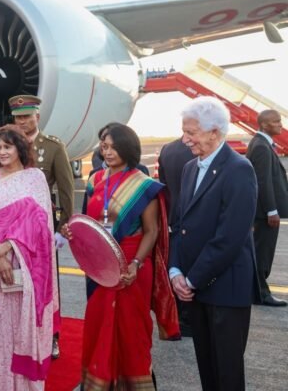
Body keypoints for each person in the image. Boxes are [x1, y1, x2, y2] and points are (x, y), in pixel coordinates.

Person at [62, 125, 179, 390]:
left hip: (132, 267)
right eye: (104, 146)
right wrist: (73, 232)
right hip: (101, 268)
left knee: (131, 331)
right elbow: (88, 224)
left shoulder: (143, 185)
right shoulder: (94, 179)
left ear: (128, 148)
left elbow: (152, 231)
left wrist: (136, 264)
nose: (108, 151)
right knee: (97, 326)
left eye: (114, 146)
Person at [169, 96, 257, 391]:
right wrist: (175, 271)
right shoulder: (190, 168)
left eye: (191, 132)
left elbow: (229, 238)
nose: (185, 139)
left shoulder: (238, 169)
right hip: (194, 288)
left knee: (227, 373)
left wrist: (192, 278)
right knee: (207, 367)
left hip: (225, 288)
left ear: (214, 132)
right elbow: (179, 224)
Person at [0, 125, 56, 390]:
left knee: (25, 331)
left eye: (7, 146)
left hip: (28, 266)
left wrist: (9, 247)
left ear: (20, 148)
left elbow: (41, 223)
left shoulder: (34, 178)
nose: (2, 152)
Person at [9, 94, 73, 359]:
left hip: (42, 227)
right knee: (17, 283)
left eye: (27, 116)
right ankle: (22, 334)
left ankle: (52, 336)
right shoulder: (8, 145)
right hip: (13, 228)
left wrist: (62, 228)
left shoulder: (53, 147)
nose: (22, 122)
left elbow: (67, 189)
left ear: (37, 116)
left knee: (47, 285)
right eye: (18, 118)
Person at [246, 109, 288, 307]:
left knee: (261, 251)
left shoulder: (262, 144)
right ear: (264, 125)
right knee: (263, 253)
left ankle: (257, 291)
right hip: (265, 214)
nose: (280, 124)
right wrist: (272, 210)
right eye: (276, 121)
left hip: (264, 212)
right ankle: (261, 294)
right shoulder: (261, 147)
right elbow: (262, 181)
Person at [158, 137, 197, 336]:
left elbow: (163, 187)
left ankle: (178, 317)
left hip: (173, 217)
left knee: (175, 266)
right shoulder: (198, 149)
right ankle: (189, 319)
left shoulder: (168, 149)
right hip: (193, 218)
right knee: (191, 268)